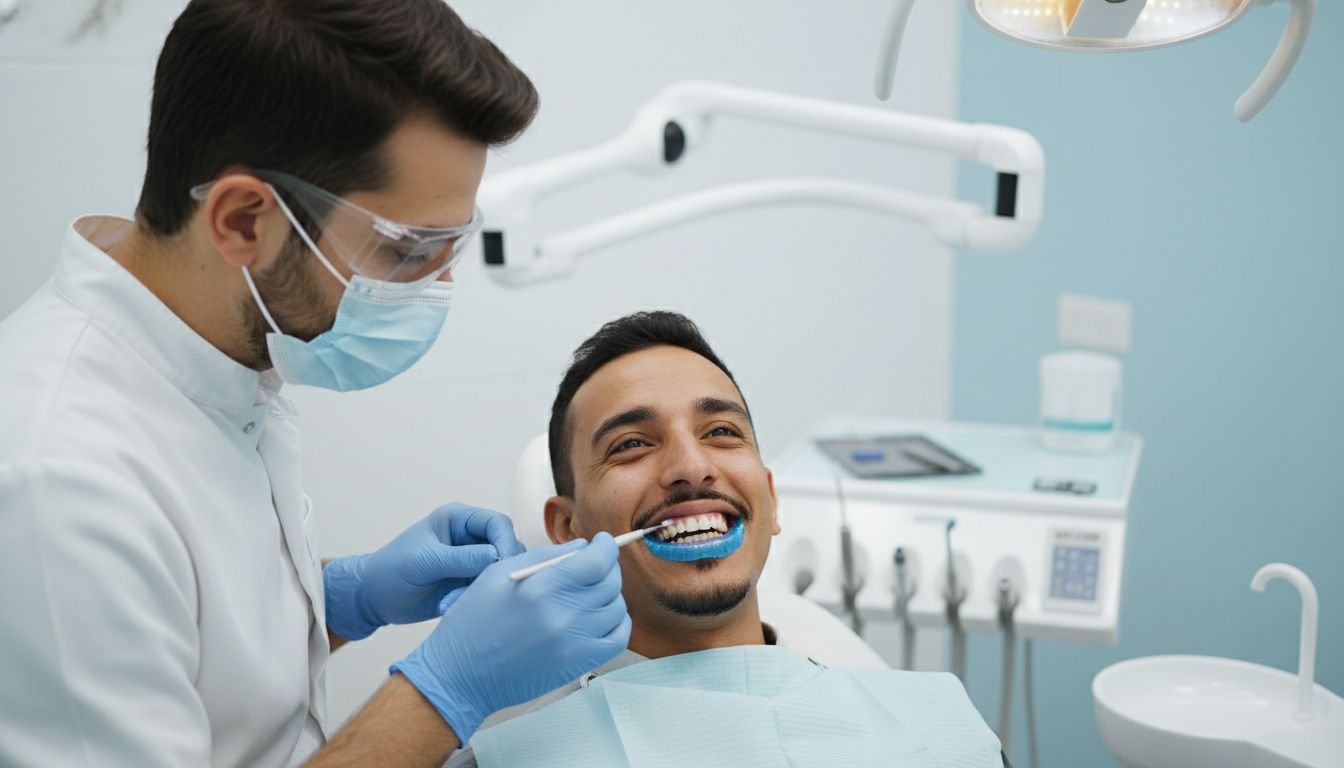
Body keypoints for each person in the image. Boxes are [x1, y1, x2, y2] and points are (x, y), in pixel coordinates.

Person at [0, 2, 630, 766]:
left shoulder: (223, 357)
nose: (438, 286)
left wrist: (341, 599)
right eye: (407, 249)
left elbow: (181, 641)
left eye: (450, 245)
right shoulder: (58, 483)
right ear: (242, 221)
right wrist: (445, 691)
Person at [447, 311, 1007, 767]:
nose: (691, 467)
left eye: (720, 432)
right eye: (632, 444)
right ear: (567, 530)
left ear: (770, 500)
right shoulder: (510, 760)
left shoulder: (952, 731)